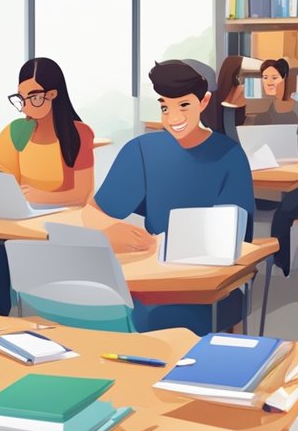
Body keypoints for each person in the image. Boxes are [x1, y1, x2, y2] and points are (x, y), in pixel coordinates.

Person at [82, 60, 252, 334]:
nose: (173, 118)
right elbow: (92, 212)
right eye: (165, 107)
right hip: (147, 280)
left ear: (204, 101)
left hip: (205, 286)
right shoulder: (142, 150)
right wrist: (109, 228)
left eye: (183, 105)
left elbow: (237, 239)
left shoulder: (228, 156)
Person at [0, 57, 95, 316]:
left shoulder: (79, 134)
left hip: (57, 223)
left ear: (53, 94)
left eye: (33, 97)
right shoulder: (18, 131)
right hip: (18, 218)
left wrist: (43, 196)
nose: (25, 107)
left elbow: (82, 194)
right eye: (21, 98)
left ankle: (3, 313)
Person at [233, 57, 298, 277]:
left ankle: (280, 265)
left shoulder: (296, 108)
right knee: (241, 203)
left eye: (274, 77)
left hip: (296, 177)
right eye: (265, 77)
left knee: (284, 212)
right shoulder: (262, 111)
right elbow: (255, 143)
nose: (269, 82)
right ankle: (244, 263)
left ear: (284, 79)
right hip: (267, 172)